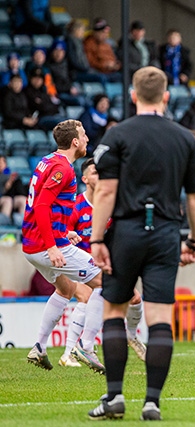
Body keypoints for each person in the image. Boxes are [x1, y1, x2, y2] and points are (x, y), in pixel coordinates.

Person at [88, 66, 195, 421]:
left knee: (113, 311)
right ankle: (152, 402)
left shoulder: (117, 135)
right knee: (158, 318)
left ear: (134, 95)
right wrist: (194, 242)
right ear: (166, 96)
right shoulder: (186, 138)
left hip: (125, 231)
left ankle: (114, 397)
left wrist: (96, 239)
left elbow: (105, 190)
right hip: (167, 233)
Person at [22, 120, 101, 371]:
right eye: (84, 134)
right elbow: (42, 205)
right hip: (48, 246)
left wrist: (64, 231)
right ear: (75, 142)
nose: (87, 138)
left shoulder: (47, 160)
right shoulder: (63, 169)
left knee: (65, 290)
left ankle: (39, 347)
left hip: (32, 245)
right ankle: (85, 346)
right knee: (107, 284)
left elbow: (44, 206)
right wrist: (53, 245)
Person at [60, 158, 147, 372]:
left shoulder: (111, 204)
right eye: (96, 172)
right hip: (78, 265)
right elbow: (61, 233)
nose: (100, 176)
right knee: (87, 296)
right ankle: (72, 350)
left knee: (135, 298)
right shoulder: (76, 206)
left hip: (104, 264)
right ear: (85, 178)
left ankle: (130, 335)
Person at [23, 66, 66, 131]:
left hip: (49, 116)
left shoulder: (43, 91)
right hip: (38, 119)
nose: (37, 80)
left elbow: (55, 106)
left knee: (69, 122)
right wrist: (46, 106)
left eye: (40, 78)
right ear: (30, 78)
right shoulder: (27, 91)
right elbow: (39, 107)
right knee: (61, 123)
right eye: (35, 77)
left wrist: (45, 105)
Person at [46, 38, 83, 106]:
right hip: (58, 93)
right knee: (79, 101)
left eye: (61, 51)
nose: (58, 54)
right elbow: (50, 85)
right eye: (56, 51)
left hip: (70, 90)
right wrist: (68, 88)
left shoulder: (68, 64)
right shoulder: (48, 67)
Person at [0, 154, 28, 225]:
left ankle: (22, 227)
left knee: (22, 200)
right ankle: (4, 228)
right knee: (7, 201)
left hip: (9, 198)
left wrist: (11, 181)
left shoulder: (8, 175)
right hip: (4, 199)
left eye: (2, 162)